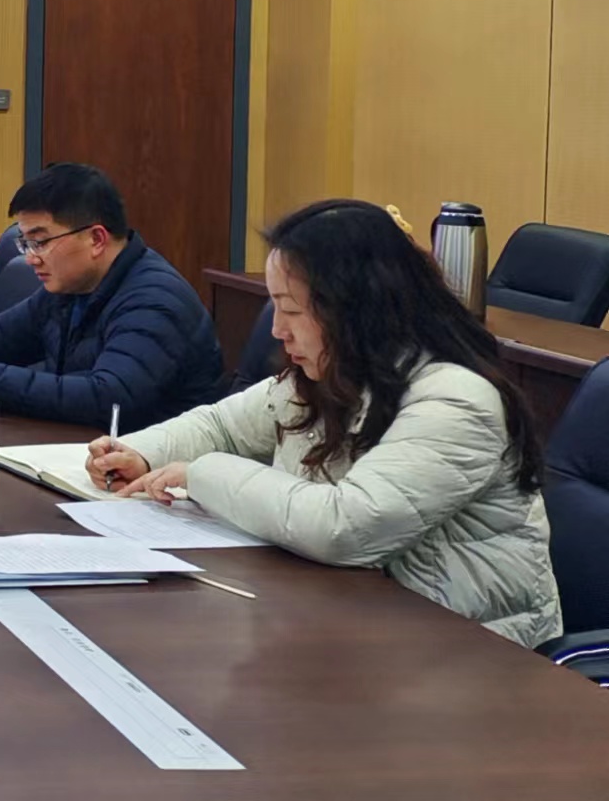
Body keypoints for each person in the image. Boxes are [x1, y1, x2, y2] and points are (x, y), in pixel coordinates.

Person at [89, 199, 560, 646]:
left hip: (471, 650)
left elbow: (345, 527)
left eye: (292, 310)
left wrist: (200, 474)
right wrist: (142, 453)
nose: (277, 329)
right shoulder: (329, 372)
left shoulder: (456, 401)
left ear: (356, 309)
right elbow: (222, 426)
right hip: (357, 623)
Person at [0, 163, 220, 430]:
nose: (31, 258)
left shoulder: (155, 301)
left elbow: (109, 397)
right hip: (84, 448)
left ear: (96, 239)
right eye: (25, 243)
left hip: (154, 475)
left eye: (40, 242)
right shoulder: (71, 285)